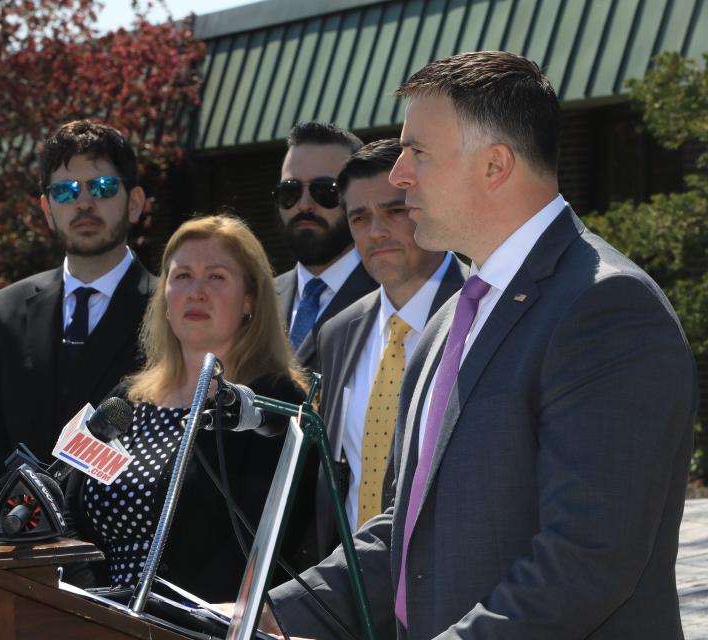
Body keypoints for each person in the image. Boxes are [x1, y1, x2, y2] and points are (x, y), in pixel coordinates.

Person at [265, 51, 698, 639]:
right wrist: (268, 615)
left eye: (417, 152)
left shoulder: (607, 309)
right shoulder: (450, 321)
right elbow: (408, 530)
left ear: (495, 165)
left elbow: (587, 558)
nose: (398, 175)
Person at [62, 214, 314, 603]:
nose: (196, 292)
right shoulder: (128, 397)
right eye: (182, 277)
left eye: (216, 277)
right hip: (98, 616)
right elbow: (68, 505)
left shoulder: (271, 404)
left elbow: (270, 539)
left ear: (250, 300)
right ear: (164, 298)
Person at [0, 120, 156, 509]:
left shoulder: (170, 313)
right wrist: (13, 517)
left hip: (123, 550)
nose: (84, 203)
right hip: (18, 543)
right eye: (66, 191)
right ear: (48, 209)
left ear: (134, 202)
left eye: (102, 188)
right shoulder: (5, 311)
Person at [311, 139, 466, 560]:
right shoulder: (337, 333)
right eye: (359, 218)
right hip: (346, 599)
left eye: (394, 211)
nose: (376, 231)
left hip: (450, 593)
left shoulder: (485, 313)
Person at [273, 122, 377, 372]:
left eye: (325, 190)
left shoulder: (391, 295)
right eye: (291, 191)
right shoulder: (255, 299)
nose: (304, 205)